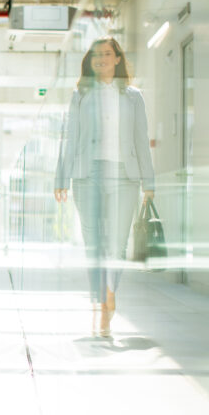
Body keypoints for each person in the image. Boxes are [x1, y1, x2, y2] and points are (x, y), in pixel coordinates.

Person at [54, 36, 154, 337]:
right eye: (96, 54)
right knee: (94, 242)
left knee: (118, 244)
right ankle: (101, 303)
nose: (101, 59)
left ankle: (109, 293)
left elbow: (141, 140)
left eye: (107, 54)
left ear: (118, 59)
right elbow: (70, 138)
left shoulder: (134, 96)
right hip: (88, 174)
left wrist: (149, 182)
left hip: (125, 174)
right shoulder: (81, 95)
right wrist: (61, 177)